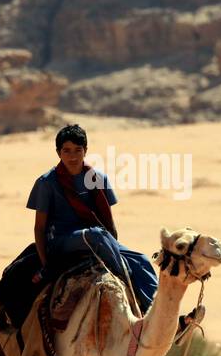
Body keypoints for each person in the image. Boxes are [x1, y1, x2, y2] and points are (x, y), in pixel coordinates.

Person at [26, 124, 158, 315]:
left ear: (86, 151)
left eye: (78, 150)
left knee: (141, 260)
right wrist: (46, 264)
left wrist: (114, 244)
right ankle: (128, 281)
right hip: (62, 240)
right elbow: (39, 228)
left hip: (100, 239)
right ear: (58, 153)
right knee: (96, 235)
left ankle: (159, 313)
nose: (72, 156)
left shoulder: (98, 178)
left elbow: (109, 221)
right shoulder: (47, 183)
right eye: (67, 151)